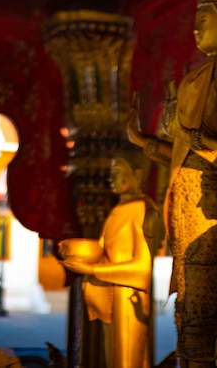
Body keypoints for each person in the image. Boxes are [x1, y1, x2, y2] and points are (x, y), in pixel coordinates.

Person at [127, 0, 217, 366]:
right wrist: (143, 141)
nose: (197, 27)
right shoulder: (194, 77)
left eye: (207, 18)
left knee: (201, 305)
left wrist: (185, 132)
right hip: (183, 204)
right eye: (196, 19)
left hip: (208, 205)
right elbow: (180, 154)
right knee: (185, 308)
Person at [60, 145, 162, 368]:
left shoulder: (144, 210)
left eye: (117, 172)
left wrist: (92, 270)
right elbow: (103, 249)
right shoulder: (119, 209)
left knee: (126, 360)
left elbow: (142, 268)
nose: (110, 178)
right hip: (110, 293)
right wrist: (76, 250)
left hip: (129, 296)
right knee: (112, 358)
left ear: (137, 174)